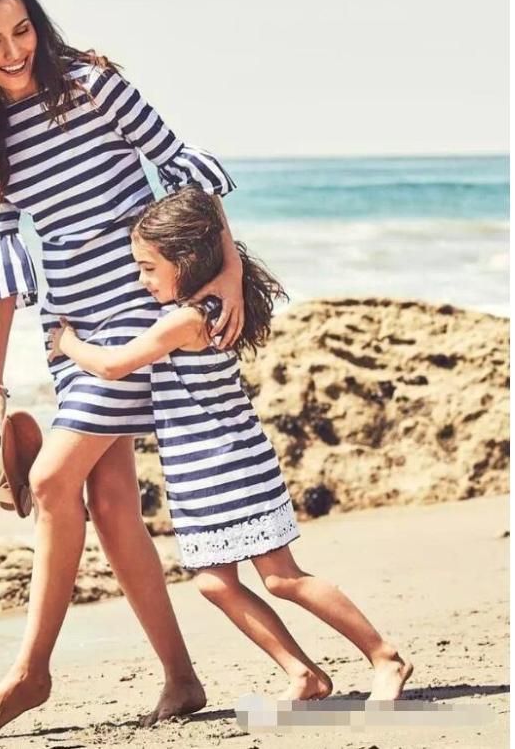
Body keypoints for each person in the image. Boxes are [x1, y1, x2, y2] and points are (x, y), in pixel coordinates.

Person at [0, 0, 245, 736]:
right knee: (108, 506)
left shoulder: (90, 84)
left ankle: (29, 674)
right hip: (69, 328)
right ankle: (180, 679)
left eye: (23, 30)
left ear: (39, 23)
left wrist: (228, 274)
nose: (13, 52)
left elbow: (182, 171)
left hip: (139, 310)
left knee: (48, 480)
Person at [47, 186, 414, 702]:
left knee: (282, 578)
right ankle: (304, 675)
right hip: (198, 472)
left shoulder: (190, 318)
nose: (140, 279)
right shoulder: (208, 301)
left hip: (231, 461)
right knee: (214, 583)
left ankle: (385, 657)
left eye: (148, 267)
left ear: (186, 261)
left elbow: (113, 366)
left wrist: (65, 342)